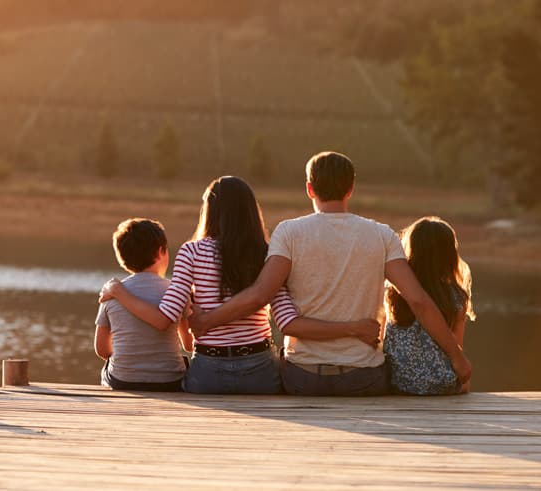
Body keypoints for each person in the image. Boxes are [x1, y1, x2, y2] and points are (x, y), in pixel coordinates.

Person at [190, 152, 472, 396]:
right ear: (350, 189)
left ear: (310, 189)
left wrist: (207, 320)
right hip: (364, 379)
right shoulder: (382, 235)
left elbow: (261, 294)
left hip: (302, 378)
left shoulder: (288, 232)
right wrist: (457, 358)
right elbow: (419, 301)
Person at [101, 176, 380, 394]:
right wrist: (352, 329)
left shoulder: (191, 252)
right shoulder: (266, 254)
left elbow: (165, 318)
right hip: (260, 373)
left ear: (209, 210)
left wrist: (118, 291)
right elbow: (286, 319)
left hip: (208, 374)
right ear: (250, 210)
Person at [95, 218, 192, 391]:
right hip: (170, 381)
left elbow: (102, 349)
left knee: (108, 368)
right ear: (161, 251)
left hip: (123, 380)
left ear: (122, 258)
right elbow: (189, 344)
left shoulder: (110, 292)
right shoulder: (176, 292)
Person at [383, 217, 475, 395]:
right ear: (450, 255)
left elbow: (383, 338)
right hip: (441, 383)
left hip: (396, 382)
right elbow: (456, 346)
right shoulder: (456, 296)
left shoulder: (393, 293)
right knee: (465, 386)